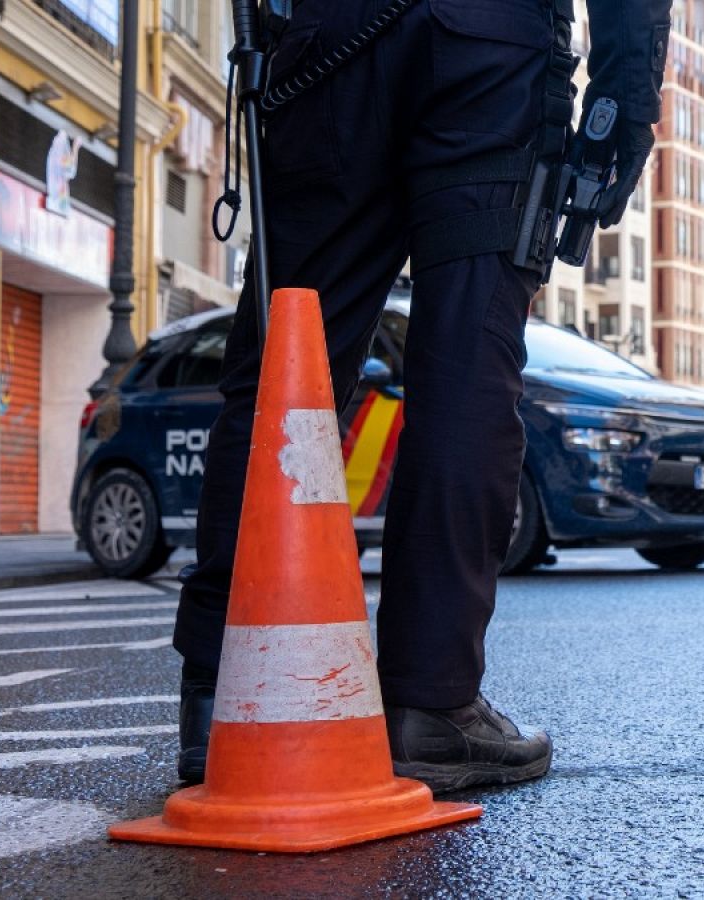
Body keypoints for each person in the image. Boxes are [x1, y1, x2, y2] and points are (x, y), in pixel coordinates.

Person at [174, 0, 671, 792]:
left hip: (333, 43)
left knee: (288, 355)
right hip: (492, 56)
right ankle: (429, 704)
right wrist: (624, 105)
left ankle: (222, 695)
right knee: (468, 369)